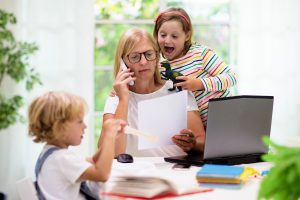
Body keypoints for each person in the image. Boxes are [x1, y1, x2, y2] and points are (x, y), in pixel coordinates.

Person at [99, 28, 205, 157]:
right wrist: (124, 100)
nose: (143, 62)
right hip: (137, 174)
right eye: (134, 57)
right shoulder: (116, 99)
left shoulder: (178, 89)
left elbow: (202, 143)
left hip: (177, 172)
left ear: (156, 57)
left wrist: (192, 144)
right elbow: (110, 154)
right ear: (123, 63)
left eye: (149, 54)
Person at [28, 91, 126, 199]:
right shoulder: (62, 158)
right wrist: (109, 137)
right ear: (59, 127)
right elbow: (101, 174)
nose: (85, 126)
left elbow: (93, 161)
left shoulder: (50, 153)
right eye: (79, 121)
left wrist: (110, 139)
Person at [153, 7, 237, 128]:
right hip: (200, 128)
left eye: (174, 36)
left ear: (187, 36)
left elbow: (231, 77)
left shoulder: (200, 53)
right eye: (162, 35)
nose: (167, 40)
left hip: (227, 115)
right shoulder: (161, 68)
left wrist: (199, 83)